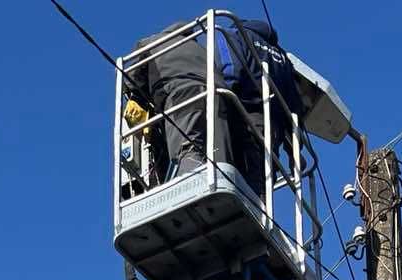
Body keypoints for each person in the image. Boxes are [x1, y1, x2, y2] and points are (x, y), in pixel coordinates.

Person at [128, 16, 302, 192]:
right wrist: (295, 152)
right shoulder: (283, 59)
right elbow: (295, 109)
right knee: (259, 178)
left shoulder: (234, 35)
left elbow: (229, 68)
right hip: (273, 130)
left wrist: (135, 98)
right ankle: (258, 204)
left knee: (196, 150)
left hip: (243, 115)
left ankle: (192, 188)